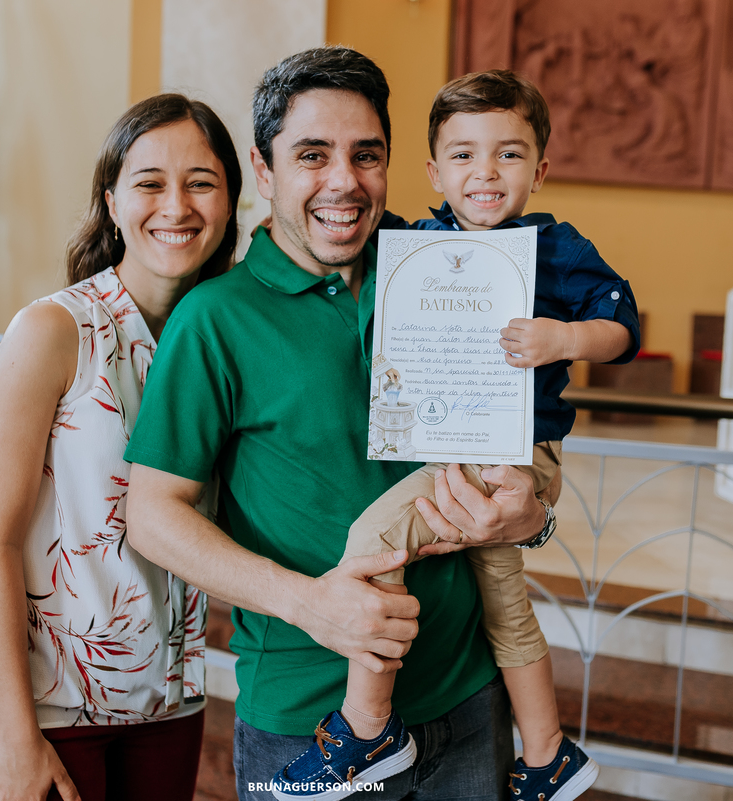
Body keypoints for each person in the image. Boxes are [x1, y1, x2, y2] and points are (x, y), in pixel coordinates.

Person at [125, 47, 555, 801]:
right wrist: (307, 601)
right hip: (310, 722)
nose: (343, 181)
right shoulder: (215, 319)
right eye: (312, 155)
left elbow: (524, 435)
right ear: (263, 171)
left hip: (467, 696)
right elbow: (152, 516)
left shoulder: (455, 269)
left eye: (367, 155)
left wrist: (534, 512)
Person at [276, 70, 641, 801]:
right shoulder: (416, 242)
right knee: (507, 607)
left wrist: (564, 336)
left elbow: (623, 329)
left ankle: (367, 724)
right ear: (434, 171)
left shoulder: (558, 247)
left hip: (514, 454)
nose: (486, 173)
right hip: (452, 447)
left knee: (374, 538)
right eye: (465, 155)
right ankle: (547, 754)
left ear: (540, 169)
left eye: (509, 155)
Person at [0, 93, 241, 801]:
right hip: (44, 712)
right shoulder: (54, 331)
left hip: (170, 708)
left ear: (232, 199)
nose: (176, 205)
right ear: (112, 202)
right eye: (149, 183)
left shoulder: (224, 340)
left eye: (200, 182)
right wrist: (20, 739)